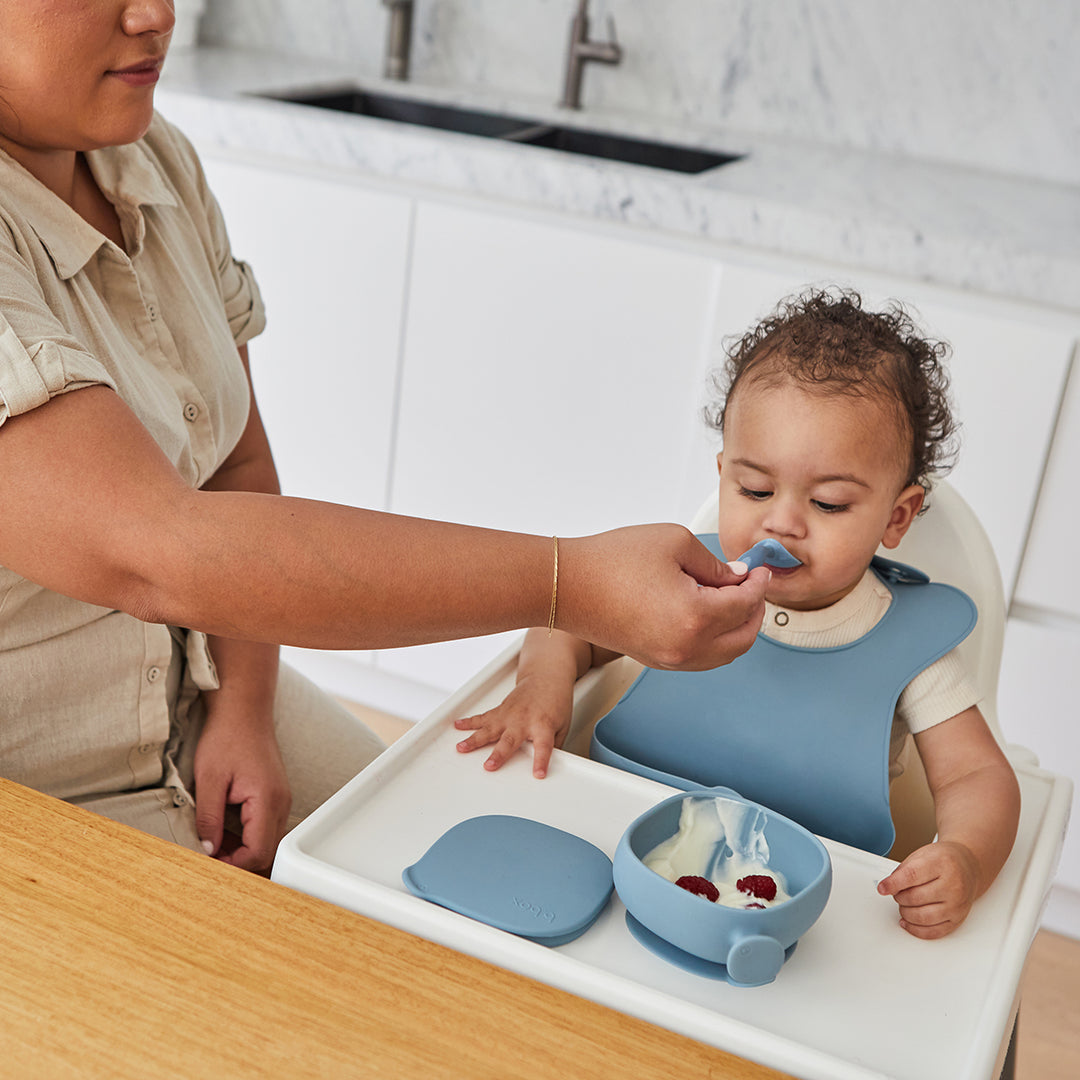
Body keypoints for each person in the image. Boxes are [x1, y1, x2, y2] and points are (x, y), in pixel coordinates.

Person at [0, 2, 769, 874]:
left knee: (453, 891)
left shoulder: (150, 155)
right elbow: (159, 553)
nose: (157, 12)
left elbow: (237, 467)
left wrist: (246, 708)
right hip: (40, 791)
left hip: (202, 693)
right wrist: (570, 582)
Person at [455, 288, 1021, 939]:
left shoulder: (910, 644)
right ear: (723, 475)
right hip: (612, 852)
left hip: (800, 912)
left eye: (830, 503)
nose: (780, 520)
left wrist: (966, 859)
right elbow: (565, 621)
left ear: (896, 518)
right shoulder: (678, 582)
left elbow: (979, 776)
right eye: (754, 489)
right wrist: (541, 687)